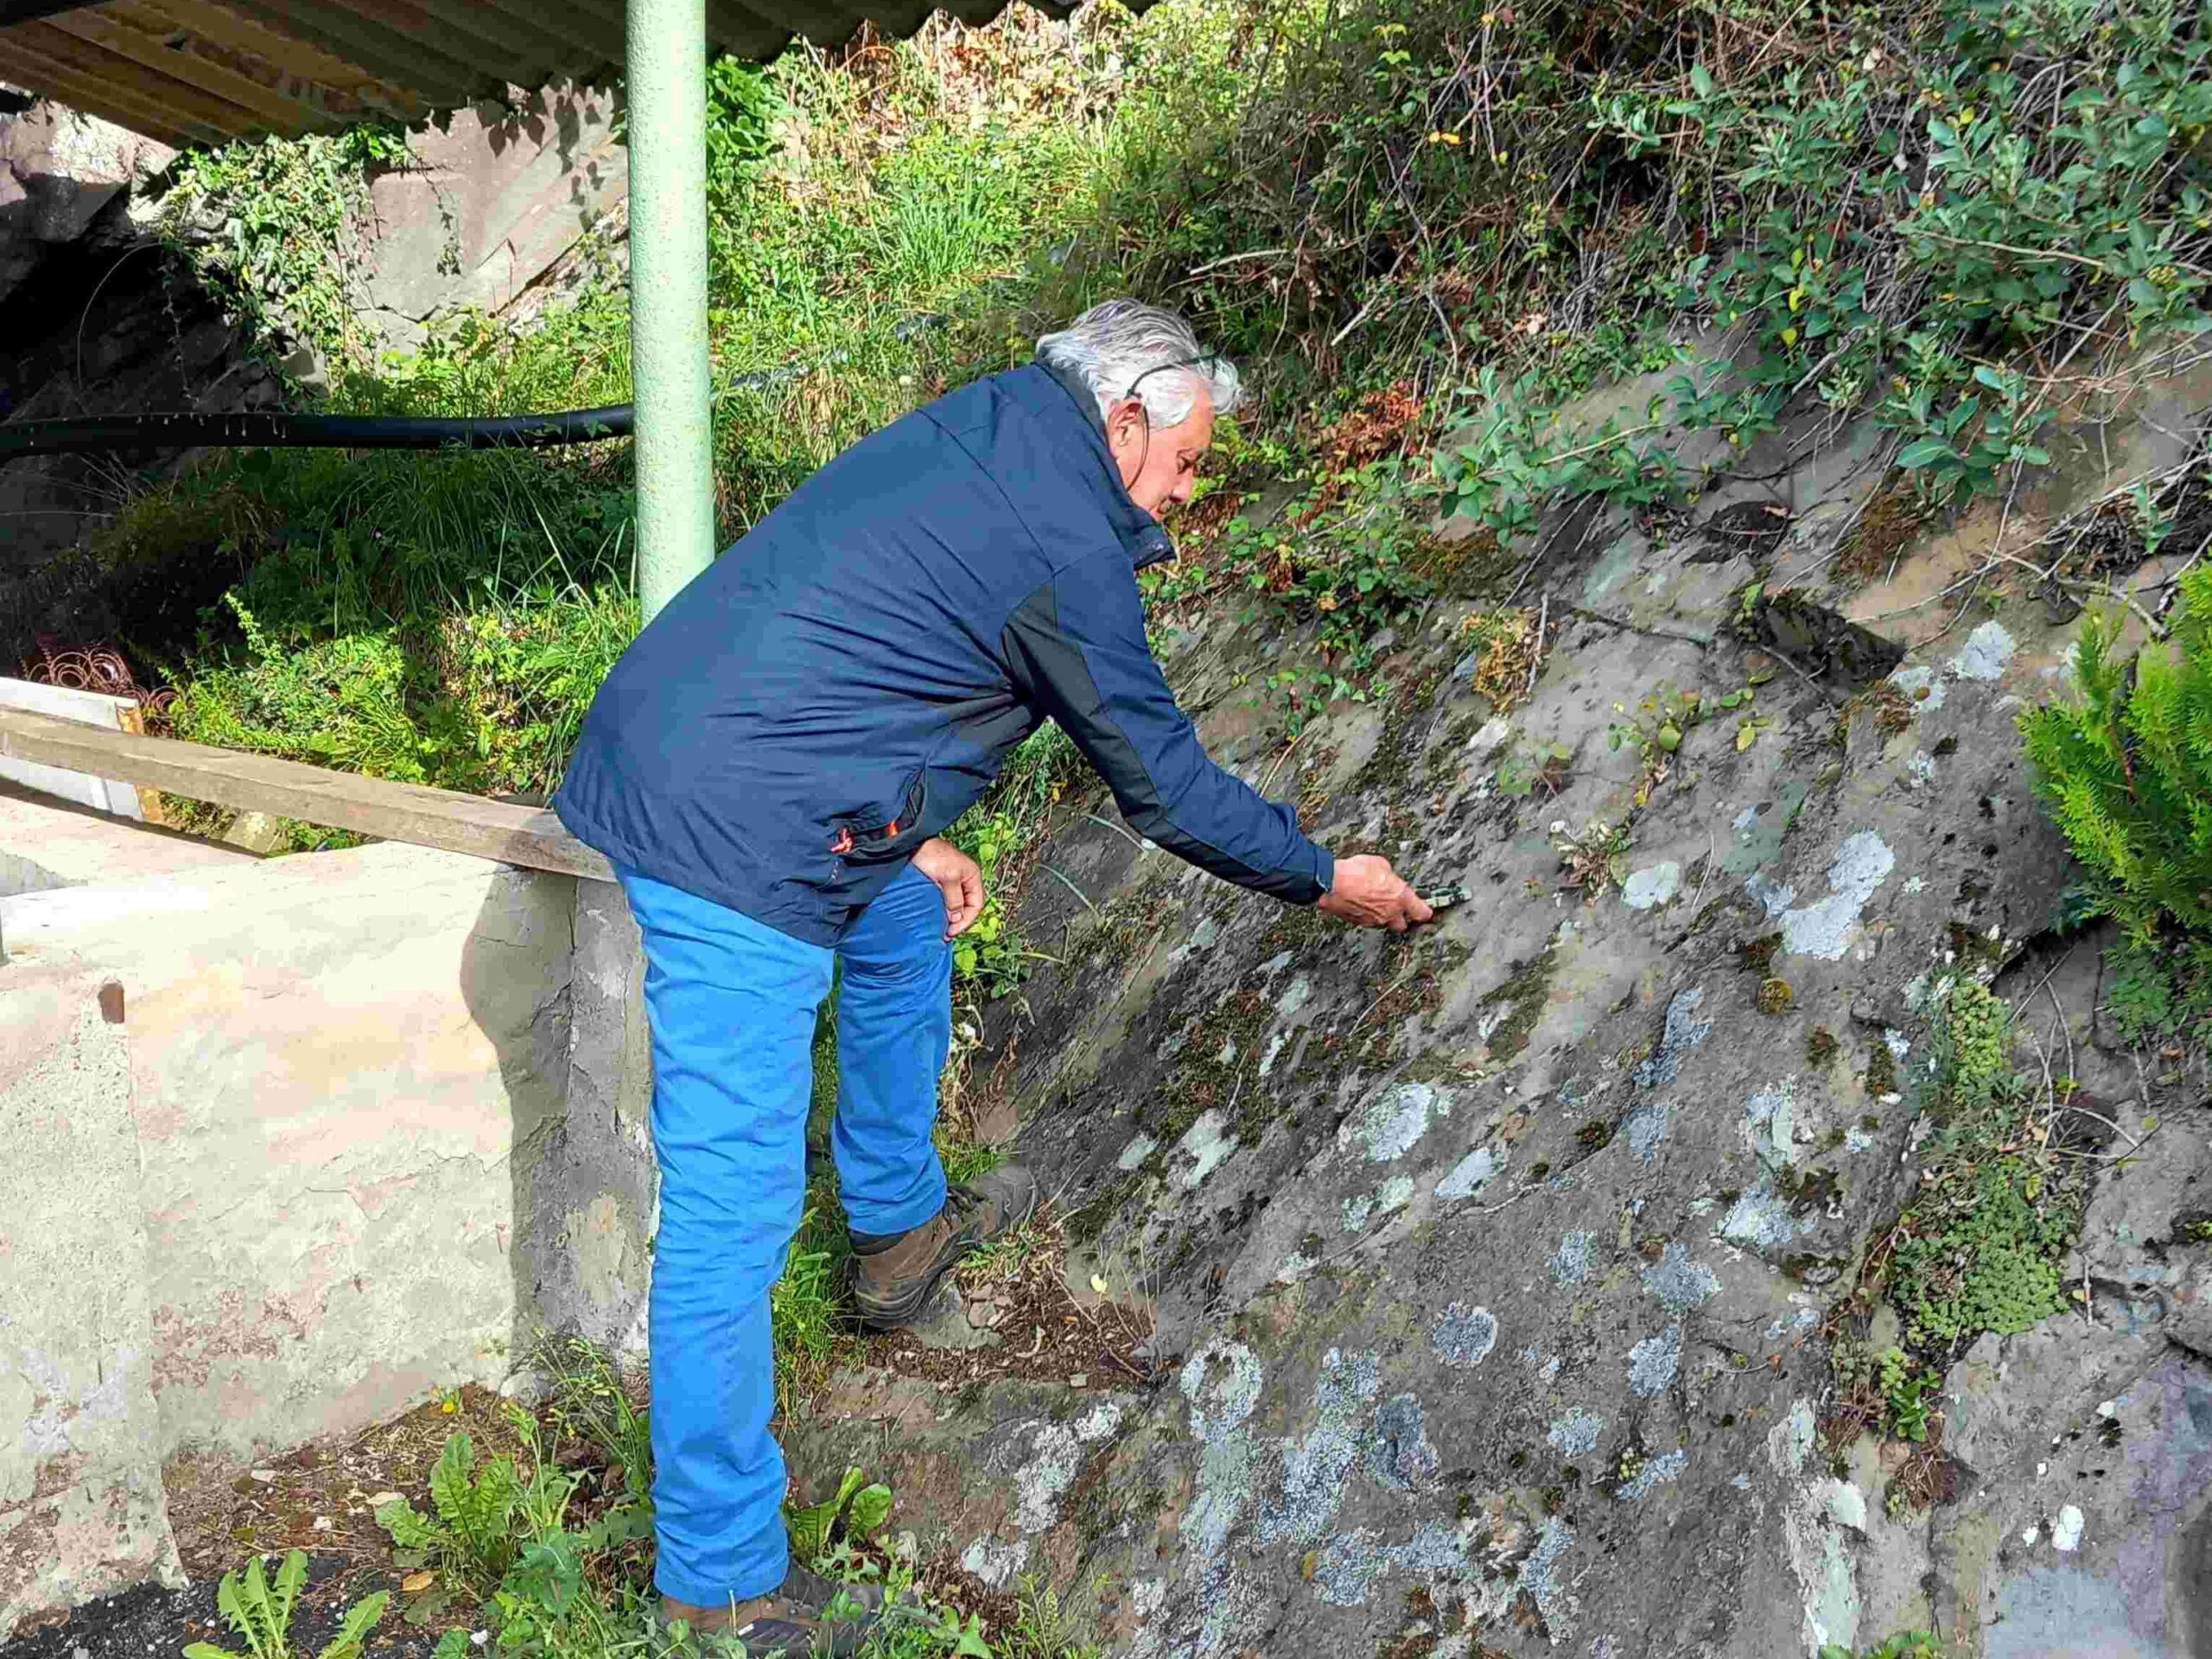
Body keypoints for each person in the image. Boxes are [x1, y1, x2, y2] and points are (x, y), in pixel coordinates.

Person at [552, 298, 1433, 1654]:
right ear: (1127, 414)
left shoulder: (1000, 425)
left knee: (902, 926)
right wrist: (1324, 875)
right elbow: (1163, 781)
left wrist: (910, 828)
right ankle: (718, 1581)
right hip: (730, 831)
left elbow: (864, 617)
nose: (1192, 494)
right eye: (1189, 463)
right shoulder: (1062, 537)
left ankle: (897, 1235)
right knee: (732, 1211)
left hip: (739, 748)